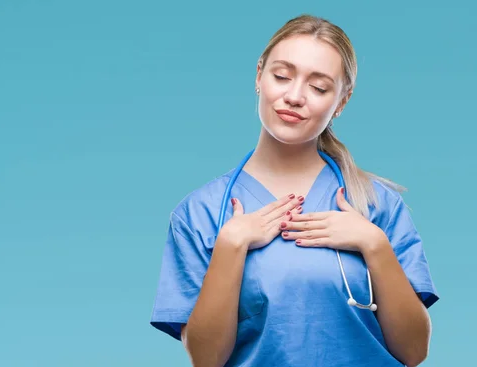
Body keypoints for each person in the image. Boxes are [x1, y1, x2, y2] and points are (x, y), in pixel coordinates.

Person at [149, 14, 439, 367]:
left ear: (342, 101)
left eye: (319, 88)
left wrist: (374, 245)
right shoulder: (200, 214)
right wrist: (230, 247)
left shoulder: (378, 205)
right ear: (259, 76)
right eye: (282, 76)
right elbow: (206, 360)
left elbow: (414, 351)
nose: (295, 96)